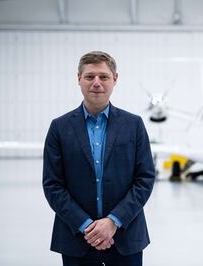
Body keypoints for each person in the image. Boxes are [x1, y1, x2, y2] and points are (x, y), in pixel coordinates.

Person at [42, 51, 155, 266]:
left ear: (115, 79)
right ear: (79, 79)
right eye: (89, 76)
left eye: (103, 76)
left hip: (126, 237)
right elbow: (53, 185)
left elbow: (145, 179)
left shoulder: (134, 125)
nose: (96, 83)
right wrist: (87, 226)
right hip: (76, 237)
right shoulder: (59, 127)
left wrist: (113, 222)